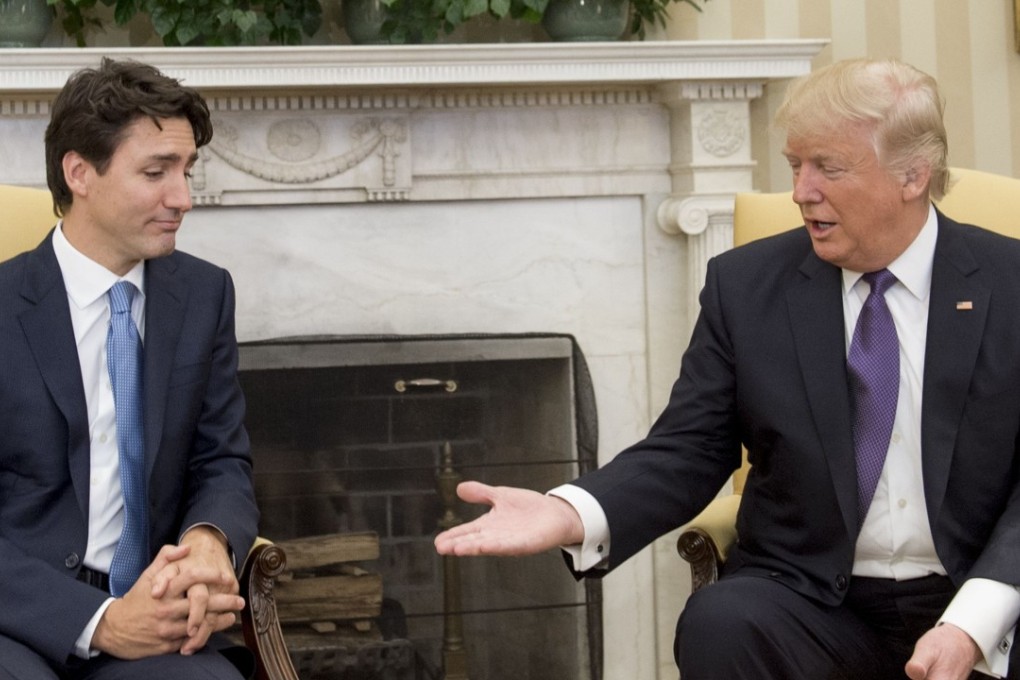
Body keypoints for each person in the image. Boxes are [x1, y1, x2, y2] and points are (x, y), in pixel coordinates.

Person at [435, 58, 1020, 680]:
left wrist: (972, 623)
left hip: (986, 589)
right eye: (796, 165)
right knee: (722, 621)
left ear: (912, 175)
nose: (801, 191)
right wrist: (574, 510)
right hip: (813, 599)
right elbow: (690, 447)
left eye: (829, 167)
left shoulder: (1010, 284)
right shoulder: (746, 287)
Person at [0, 58, 259, 679]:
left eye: (187, 169)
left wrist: (208, 539)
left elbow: (220, 459)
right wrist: (101, 622)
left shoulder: (204, 294)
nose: (184, 199)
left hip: (158, 611)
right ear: (79, 172)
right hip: (18, 619)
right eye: (156, 172)